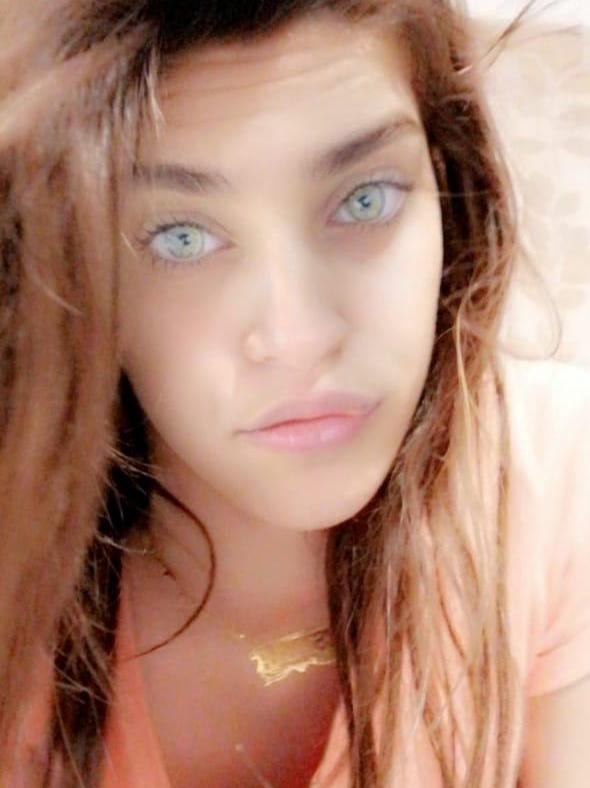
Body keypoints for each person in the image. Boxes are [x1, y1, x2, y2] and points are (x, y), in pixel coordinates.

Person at [0, 0, 588, 786]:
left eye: (366, 198)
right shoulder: (20, 576)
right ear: (64, 264)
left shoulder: (553, 483)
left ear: (449, 186)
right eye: (180, 238)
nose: (300, 337)